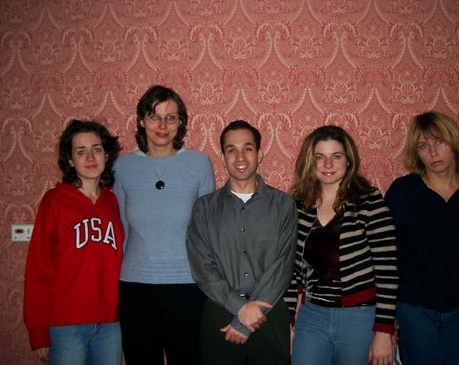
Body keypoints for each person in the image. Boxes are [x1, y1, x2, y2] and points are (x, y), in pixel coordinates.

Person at [385, 111, 459, 365]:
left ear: (454, 143)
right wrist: (387, 315)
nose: (433, 153)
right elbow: (388, 256)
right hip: (414, 309)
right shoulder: (402, 192)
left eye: (439, 142)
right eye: (424, 146)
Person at [113, 85, 215, 365]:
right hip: (134, 287)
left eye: (171, 117)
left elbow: (206, 231)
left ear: (181, 122)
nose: (162, 125)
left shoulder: (199, 164)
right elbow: (120, 228)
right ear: (141, 120)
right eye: (154, 116)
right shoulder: (122, 168)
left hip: (186, 286)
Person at [186, 120, 297, 365]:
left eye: (248, 148)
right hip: (219, 315)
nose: (240, 156)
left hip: (270, 312)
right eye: (231, 149)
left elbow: (282, 266)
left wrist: (248, 318)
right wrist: (239, 308)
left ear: (260, 153)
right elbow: (202, 268)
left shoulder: (283, 205)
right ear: (223, 156)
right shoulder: (204, 208)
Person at [288, 125, 398, 365]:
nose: (328, 164)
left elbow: (387, 271)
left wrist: (383, 331)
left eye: (336, 156)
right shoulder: (299, 206)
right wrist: (290, 321)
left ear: (348, 161)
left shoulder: (370, 202)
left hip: (359, 318)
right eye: (320, 157)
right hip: (312, 317)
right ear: (310, 161)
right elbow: (291, 271)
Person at [24, 120, 124, 365]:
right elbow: (38, 271)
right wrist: (38, 332)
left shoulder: (113, 202)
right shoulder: (55, 202)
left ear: (106, 154)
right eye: (81, 151)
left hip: (109, 324)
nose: (90, 157)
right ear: (70, 160)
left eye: (97, 149)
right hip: (65, 326)